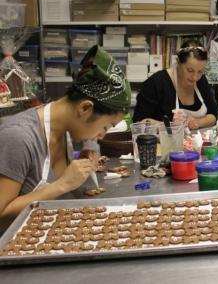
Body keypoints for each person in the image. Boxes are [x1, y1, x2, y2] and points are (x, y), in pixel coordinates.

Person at [0, 46, 131, 231]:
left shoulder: (63, 127)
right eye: (105, 127)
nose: (102, 135)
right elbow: (2, 214)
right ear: (85, 108)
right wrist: (63, 184)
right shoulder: (19, 137)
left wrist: (80, 165)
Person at [133, 40, 218, 130]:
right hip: (164, 142)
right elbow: (138, 123)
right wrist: (170, 126)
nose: (195, 77)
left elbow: (213, 115)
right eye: (190, 70)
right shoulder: (156, 83)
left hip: (195, 141)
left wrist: (197, 122)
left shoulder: (201, 81)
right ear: (178, 62)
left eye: (200, 72)